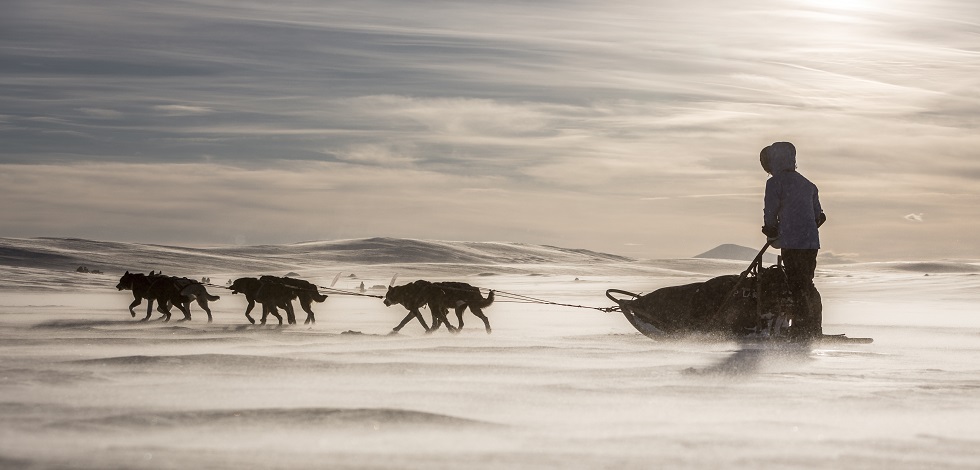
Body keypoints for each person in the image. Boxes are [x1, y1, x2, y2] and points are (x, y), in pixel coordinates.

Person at [760, 142, 826, 339]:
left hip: (791, 242)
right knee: (807, 283)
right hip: (810, 243)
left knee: (797, 285)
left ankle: (802, 330)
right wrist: (806, 225)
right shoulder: (808, 184)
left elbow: (770, 209)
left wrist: (772, 229)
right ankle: (812, 326)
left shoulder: (775, 183)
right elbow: (820, 216)